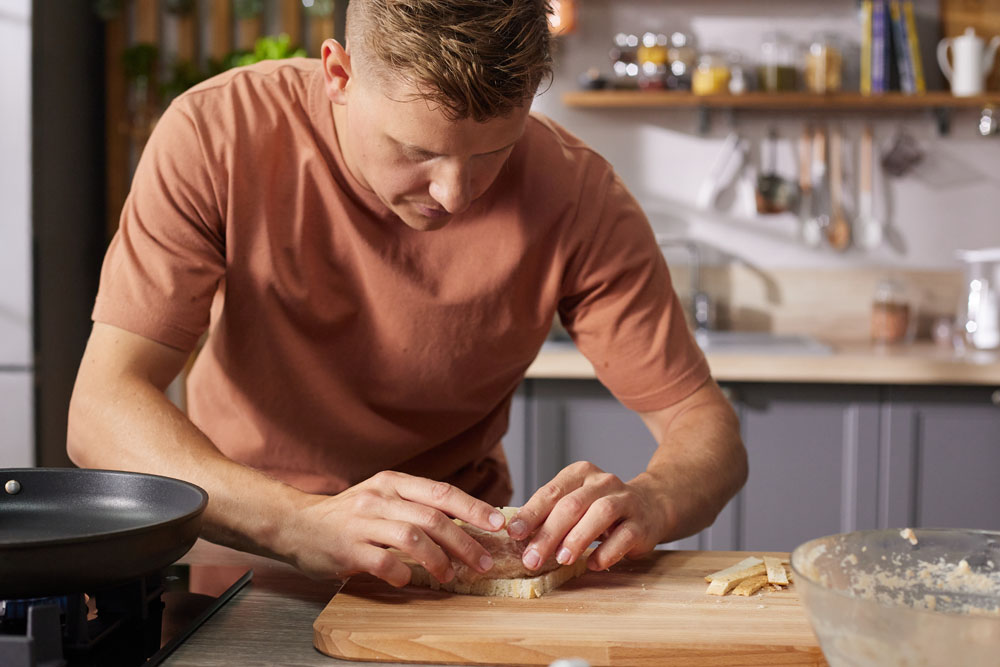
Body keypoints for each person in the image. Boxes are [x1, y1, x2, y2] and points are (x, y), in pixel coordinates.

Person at [68, 0, 746, 588]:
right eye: (417, 151)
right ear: (339, 75)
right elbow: (101, 409)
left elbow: (705, 428)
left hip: (459, 578)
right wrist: (299, 523)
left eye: (489, 155)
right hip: (248, 558)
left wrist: (654, 498)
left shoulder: (578, 194)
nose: (455, 194)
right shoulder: (215, 135)